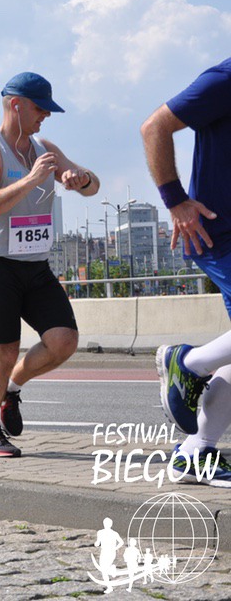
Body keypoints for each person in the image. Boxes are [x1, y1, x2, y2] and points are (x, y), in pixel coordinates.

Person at [0, 72, 100, 457]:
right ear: (16, 105)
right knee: (4, 352)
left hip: (35, 264)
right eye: (40, 109)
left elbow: (94, 187)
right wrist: (30, 181)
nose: (46, 116)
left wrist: (79, 178)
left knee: (64, 341)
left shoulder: (45, 148)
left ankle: (11, 388)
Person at [143, 57, 231, 487]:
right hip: (221, 235)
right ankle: (188, 363)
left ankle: (195, 453)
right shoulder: (226, 78)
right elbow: (154, 127)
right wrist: (176, 201)